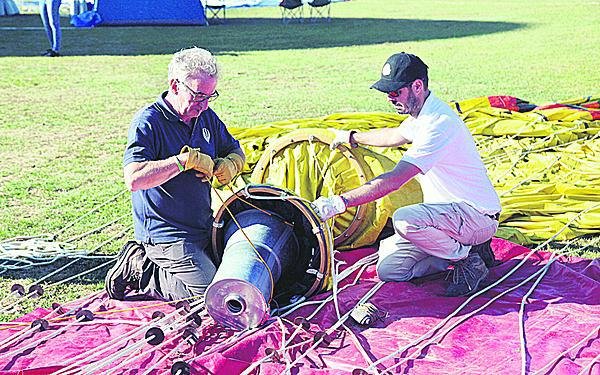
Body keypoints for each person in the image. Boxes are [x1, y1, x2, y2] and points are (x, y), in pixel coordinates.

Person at [312, 53, 501, 297]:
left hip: (476, 215)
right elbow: (394, 136)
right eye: (387, 93)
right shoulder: (421, 113)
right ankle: (460, 250)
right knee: (390, 270)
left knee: (405, 219)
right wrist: (351, 137)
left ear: (418, 86)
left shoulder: (438, 123)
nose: (390, 99)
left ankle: (468, 260)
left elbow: (395, 180)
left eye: (395, 92)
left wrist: (339, 203)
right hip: (447, 220)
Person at [105, 47, 246, 301]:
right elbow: (134, 178)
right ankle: (143, 269)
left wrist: (232, 164)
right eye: (198, 95)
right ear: (175, 85)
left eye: (210, 96)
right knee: (213, 297)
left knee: (243, 275)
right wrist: (183, 161)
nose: (203, 105)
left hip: (203, 225)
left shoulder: (206, 117)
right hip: (166, 234)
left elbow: (235, 148)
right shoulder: (148, 122)